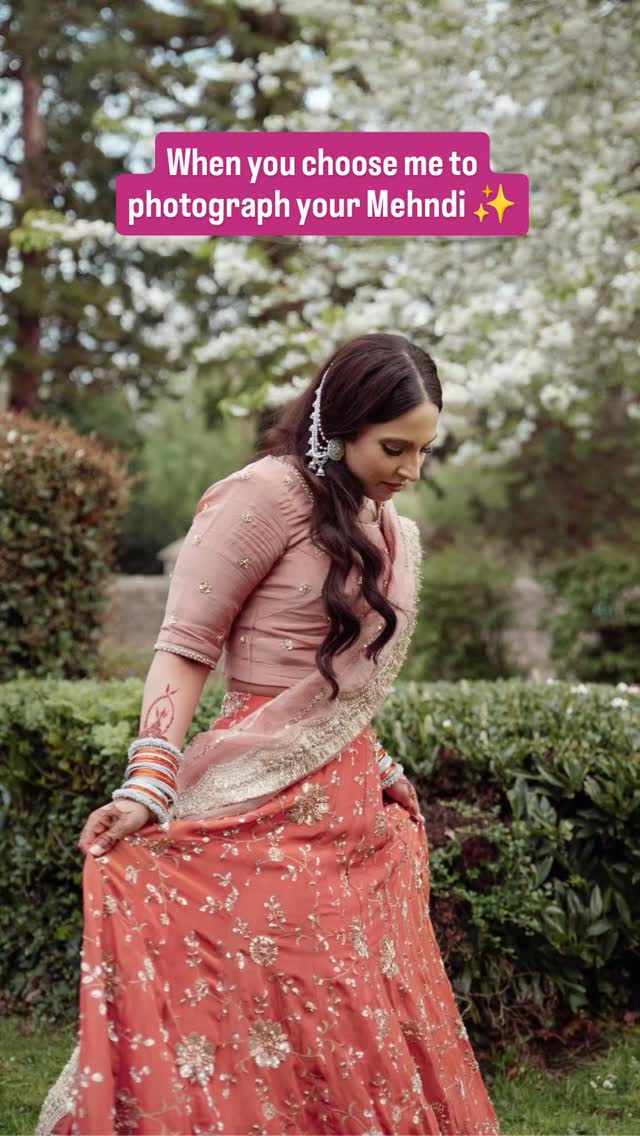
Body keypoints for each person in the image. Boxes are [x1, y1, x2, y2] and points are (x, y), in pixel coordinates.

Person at [36, 332, 502, 1135]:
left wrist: (379, 765)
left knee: (343, 1023)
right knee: (253, 1011)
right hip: (257, 801)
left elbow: (341, 692)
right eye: (395, 449)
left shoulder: (391, 530)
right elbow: (185, 649)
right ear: (341, 425)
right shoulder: (260, 497)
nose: (413, 472)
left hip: (350, 815)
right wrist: (150, 780)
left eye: (425, 450)